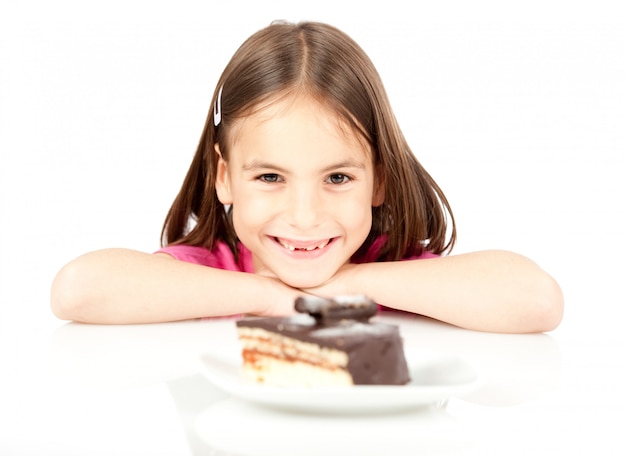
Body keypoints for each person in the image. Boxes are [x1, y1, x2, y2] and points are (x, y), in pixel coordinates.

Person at [50, 21, 563, 333]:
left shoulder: (396, 269)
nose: (304, 216)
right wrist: (271, 296)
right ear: (224, 177)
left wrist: (352, 282)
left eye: (337, 178)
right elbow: (77, 290)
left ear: (378, 181)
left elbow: (537, 301)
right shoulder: (214, 269)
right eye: (271, 177)